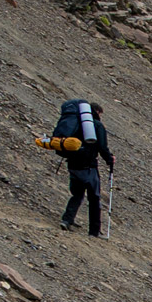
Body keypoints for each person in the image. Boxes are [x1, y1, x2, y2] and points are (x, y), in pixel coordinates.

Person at [55, 101, 114, 236]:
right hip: (89, 167)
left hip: (73, 164)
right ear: (97, 112)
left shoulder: (75, 122)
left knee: (77, 194)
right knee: (94, 198)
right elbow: (102, 147)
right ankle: (94, 231)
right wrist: (110, 159)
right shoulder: (97, 125)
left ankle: (67, 220)